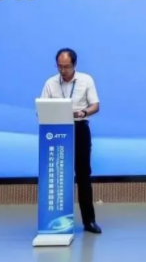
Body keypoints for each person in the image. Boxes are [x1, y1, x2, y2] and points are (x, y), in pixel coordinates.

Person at [41, 48, 102, 234]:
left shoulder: (86, 80)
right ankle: (54, 220)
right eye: (59, 66)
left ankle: (89, 221)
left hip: (79, 128)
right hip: (56, 131)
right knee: (57, 174)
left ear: (74, 64)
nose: (63, 70)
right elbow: (41, 108)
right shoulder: (50, 83)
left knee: (83, 175)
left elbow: (95, 105)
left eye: (66, 67)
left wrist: (83, 112)